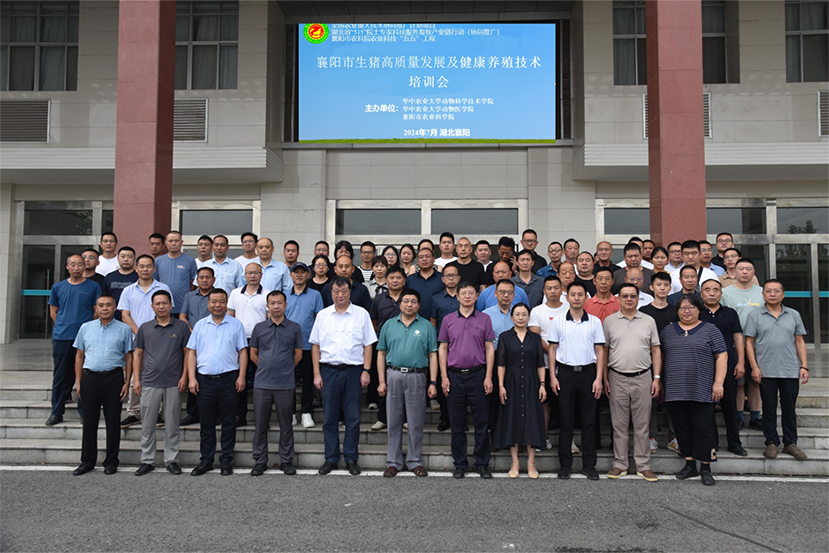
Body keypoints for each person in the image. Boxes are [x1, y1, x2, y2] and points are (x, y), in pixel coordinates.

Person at [311, 277, 377, 476]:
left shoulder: (361, 314)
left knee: (352, 417)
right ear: (331, 292)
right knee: (330, 418)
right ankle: (331, 458)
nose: (340, 295)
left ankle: (351, 458)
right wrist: (316, 374)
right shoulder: (323, 315)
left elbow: (368, 344)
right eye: (336, 291)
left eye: (344, 291)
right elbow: (315, 345)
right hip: (329, 371)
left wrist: (366, 370)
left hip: (353, 371)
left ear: (350, 292)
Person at [660, 294, 727, 486]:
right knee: (682, 428)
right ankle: (689, 464)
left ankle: (705, 467)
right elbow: (660, 356)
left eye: (691, 307)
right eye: (682, 308)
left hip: (702, 388)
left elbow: (722, 356)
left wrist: (718, 383)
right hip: (675, 389)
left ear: (699, 310)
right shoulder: (668, 331)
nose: (686, 311)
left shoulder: (710, 329)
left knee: (703, 429)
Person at [186, 288, 249, 476]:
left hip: (229, 379)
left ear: (226, 303)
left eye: (221, 301)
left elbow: (242, 351)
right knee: (206, 422)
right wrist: (191, 378)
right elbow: (192, 352)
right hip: (204, 380)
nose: (217, 305)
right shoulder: (200, 325)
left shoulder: (236, 325)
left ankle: (226, 459)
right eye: (213, 301)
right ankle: (206, 459)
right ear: (208, 304)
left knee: (229, 422)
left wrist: (242, 376)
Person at [376, 289, 439, 478]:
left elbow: (433, 354)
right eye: (406, 301)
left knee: (415, 421)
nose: (409, 305)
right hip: (393, 374)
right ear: (400, 304)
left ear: (418, 305)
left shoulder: (427, 326)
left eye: (413, 301)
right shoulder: (389, 325)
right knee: (393, 421)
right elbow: (381, 353)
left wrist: (433, 382)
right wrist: (381, 381)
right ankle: (393, 462)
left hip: (416, 376)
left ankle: (414, 461)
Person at [745, 280, 809, 461]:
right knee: (769, 408)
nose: (772, 294)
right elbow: (749, 343)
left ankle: (791, 443)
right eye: (768, 291)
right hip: (765, 370)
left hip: (790, 369)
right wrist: (754, 367)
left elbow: (799, 341)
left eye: (776, 291)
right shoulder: (755, 315)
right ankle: (771, 442)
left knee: (789, 409)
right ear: (763, 294)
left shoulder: (793, 315)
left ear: (783, 294)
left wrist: (804, 366)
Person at [602, 283, 661, 482]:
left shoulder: (648, 320)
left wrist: (656, 378)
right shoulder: (609, 321)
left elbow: (655, 350)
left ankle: (643, 465)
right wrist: (604, 377)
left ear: (638, 298)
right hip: (617, 377)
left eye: (632, 296)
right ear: (619, 298)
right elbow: (605, 351)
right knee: (619, 425)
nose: (629, 299)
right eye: (625, 296)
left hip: (643, 377)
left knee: (642, 425)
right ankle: (620, 463)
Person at [70, 293, 133, 476]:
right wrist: (79, 382)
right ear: (96, 308)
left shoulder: (124, 329)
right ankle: (87, 461)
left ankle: (111, 461)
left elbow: (129, 357)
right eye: (101, 305)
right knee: (89, 421)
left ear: (115, 307)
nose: (104, 308)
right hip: (90, 378)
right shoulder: (85, 328)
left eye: (108, 305)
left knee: (113, 421)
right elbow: (79, 356)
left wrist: (127, 382)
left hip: (114, 378)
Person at [548, 282, 605, 480]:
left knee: (589, 421)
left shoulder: (595, 322)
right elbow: (552, 349)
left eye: (580, 294)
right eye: (573, 294)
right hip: (565, 373)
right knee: (566, 422)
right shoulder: (558, 321)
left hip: (589, 373)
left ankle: (589, 465)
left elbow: (600, 351)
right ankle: (565, 465)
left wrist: (599, 378)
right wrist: (552, 376)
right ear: (567, 297)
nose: (577, 298)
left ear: (586, 297)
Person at [439, 281, 495, 479]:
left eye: (471, 293)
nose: (467, 296)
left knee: (482, 422)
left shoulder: (485, 319)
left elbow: (489, 348)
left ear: (477, 296)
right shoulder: (448, 320)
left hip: (478, 375)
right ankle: (460, 463)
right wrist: (444, 376)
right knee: (457, 422)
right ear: (457, 296)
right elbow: (443, 348)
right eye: (463, 293)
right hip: (454, 376)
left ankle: (482, 463)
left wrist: (488, 376)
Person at [132, 290, 191, 476]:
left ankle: (171, 460)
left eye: (165, 303)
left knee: (172, 423)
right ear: (152, 307)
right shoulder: (145, 328)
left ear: (171, 305)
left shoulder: (181, 327)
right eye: (157, 303)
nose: (161, 306)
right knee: (147, 424)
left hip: (174, 382)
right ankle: (147, 460)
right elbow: (138, 354)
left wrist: (185, 376)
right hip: (149, 381)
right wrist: (136, 379)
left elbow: (188, 353)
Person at [249, 290, 304, 476]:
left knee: (286, 425)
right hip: (262, 384)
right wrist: (266, 367)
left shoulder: (294, 328)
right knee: (260, 424)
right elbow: (253, 353)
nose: (276, 306)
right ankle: (260, 460)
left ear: (285, 305)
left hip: (285, 384)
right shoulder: (259, 328)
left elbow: (298, 354)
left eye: (279, 303)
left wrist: (285, 368)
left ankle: (286, 460)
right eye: (272, 303)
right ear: (267, 306)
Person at [46, 255, 101, 427]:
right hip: (62, 336)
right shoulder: (58, 287)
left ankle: (84, 411)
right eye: (73, 265)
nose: (76, 268)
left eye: (80, 264)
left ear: (84, 266)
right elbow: (53, 312)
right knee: (60, 375)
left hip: (86, 337)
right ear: (67, 267)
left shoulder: (93, 286)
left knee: (85, 375)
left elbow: (97, 311)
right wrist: (64, 324)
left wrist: (86, 329)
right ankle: (56, 412)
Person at [118, 254, 172, 427]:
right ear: (136, 269)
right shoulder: (128, 290)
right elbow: (125, 315)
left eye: (149, 266)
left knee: (160, 375)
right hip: (136, 341)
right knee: (136, 375)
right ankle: (134, 412)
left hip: (160, 340)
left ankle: (159, 412)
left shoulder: (163, 288)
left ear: (154, 269)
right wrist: (141, 334)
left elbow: (166, 312)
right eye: (141, 266)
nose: (145, 269)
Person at [494, 303, 547, 479]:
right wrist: (501, 385)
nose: (521, 317)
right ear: (511, 317)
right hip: (512, 382)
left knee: (532, 419)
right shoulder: (505, 337)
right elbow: (501, 363)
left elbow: (540, 363)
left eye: (524, 314)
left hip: (532, 382)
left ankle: (531, 463)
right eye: (517, 314)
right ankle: (515, 462)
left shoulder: (535, 338)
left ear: (529, 317)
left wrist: (542, 384)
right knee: (513, 419)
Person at [699, 279, 748, 456]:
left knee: (730, 407)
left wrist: (741, 362)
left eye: (715, 290)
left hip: (728, 366)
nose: (711, 293)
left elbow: (738, 338)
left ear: (721, 293)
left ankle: (734, 443)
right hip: (704, 367)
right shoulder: (697, 313)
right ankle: (712, 442)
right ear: (701, 293)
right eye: (707, 290)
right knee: (707, 408)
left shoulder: (730, 313)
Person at [722, 257, 765, 429]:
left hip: (759, 345)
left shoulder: (762, 292)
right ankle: (738, 417)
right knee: (738, 383)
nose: (745, 272)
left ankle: (755, 417)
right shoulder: (726, 293)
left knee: (755, 382)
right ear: (735, 272)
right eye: (741, 269)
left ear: (754, 272)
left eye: (748, 269)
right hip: (735, 345)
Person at [640, 272, 680, 453]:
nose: (662, 288)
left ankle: (674, 437)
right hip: (648, 361)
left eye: (665, 285)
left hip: (673, 360)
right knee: (650, 400)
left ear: (670, 288)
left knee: (673, 399)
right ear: (651, 287)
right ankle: (651, 437)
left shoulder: (676, 311)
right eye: (659, 285)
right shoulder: (644, 312)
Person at [228, 262, 270, 427]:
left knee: (261, 380)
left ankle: (263, 418)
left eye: (256, 273)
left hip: (260, 342)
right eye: (249, 273)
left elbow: (269, 320)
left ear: (261, 275)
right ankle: (240, 415)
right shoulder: (235, 293)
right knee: (240, 379)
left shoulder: (267, 294)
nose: (252, 276)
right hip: (239, 341)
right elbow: (230, 317)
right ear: (244, 275)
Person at [285, 262, 324, 429]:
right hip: (288, 346)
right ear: (291, 275)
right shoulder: (284, 295)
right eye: (296, 272)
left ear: (308, 275)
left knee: (308, 380)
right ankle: (291, 412)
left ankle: (306, 412)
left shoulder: (315, 295)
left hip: (308, 344)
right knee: (289, 380)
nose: (299, 275)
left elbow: (319, 320)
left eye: (303, 272)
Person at [368, 265, 407, 430]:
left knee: (404, 384)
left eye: (398, 278)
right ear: (386, 280)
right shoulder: (379, 299)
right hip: (384, 347)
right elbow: (374, 322)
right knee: (383, 382)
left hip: (406, 346)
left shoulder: (409, 298)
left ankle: (405, 418)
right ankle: (383, 418)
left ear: (404, 280)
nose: (395, 281)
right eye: (392, 278)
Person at [178, 266, 216, 426]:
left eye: (208, 277)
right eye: (201, 277)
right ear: (196, 280)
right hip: (193, 340)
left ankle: (214, 413)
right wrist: (192, 331)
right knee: (193, 374)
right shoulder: (189, 296)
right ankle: (193, 412)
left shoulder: (217, 295)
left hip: (213, 340)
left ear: (214, 280)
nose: (205, 280)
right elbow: (182, 316)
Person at [483, 280, 518, 445]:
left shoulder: (519, 313)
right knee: (495, 399)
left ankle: (515, 439)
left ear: (514, 295)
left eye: (509, 292)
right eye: (502, 292)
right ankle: (495, 439)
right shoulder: (486, 315)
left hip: (516, 359)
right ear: (495, 294)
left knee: (515, 399)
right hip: (494, 357)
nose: (506, 295)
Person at [428, 264, 461, 430]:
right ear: (442, 279)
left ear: (459, 278)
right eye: (448, 275)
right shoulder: (436, 299)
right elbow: (433, 322)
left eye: (454, 275)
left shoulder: (465, 296)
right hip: (443, 346)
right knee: (444, 382)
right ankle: (445, 418)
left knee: (460, 385)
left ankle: (460, 421)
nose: (451, 278)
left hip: (462, 346)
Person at [154, 230, 197, 318]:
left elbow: (193, 283)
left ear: (181, 242)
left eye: (176, 241)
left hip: (183, 307)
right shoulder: (158, 261)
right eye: (170, 241)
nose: (173, 243)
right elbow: (155, 282)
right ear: (166, 242)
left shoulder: (190, 260)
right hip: (163, 307)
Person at [102, 246, 138, 322]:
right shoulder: (109, 277)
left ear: (134, 259)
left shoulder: (139, 277)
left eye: (129, 257)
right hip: (112, 318)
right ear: (118, 258)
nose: (126, 259)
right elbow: (103, 297)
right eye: (123, 256)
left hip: (134, 317)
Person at [406, 248, 444, 318]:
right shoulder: (410, 279)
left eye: (427, 256)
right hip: (415, 319)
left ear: (433, 259)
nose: (424, 259)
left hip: (438, 319)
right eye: (421, 257)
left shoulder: (442, 278)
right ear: (417, 261)